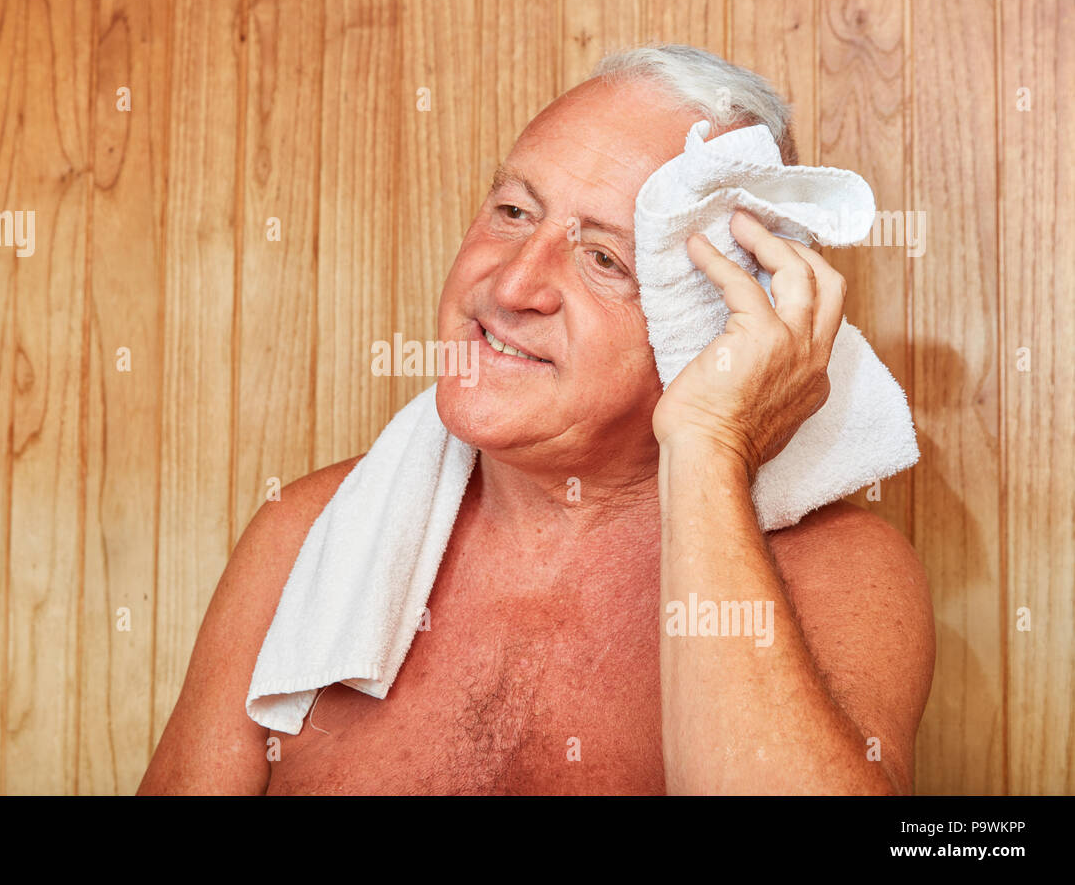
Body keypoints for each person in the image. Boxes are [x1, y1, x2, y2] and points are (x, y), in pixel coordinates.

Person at [139, 44, 935, 795]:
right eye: (515, 210)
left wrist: (712, 443)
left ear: (713, 325)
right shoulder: (306, 534)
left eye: (605, 260)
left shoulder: (834, 577)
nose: (512, 284)